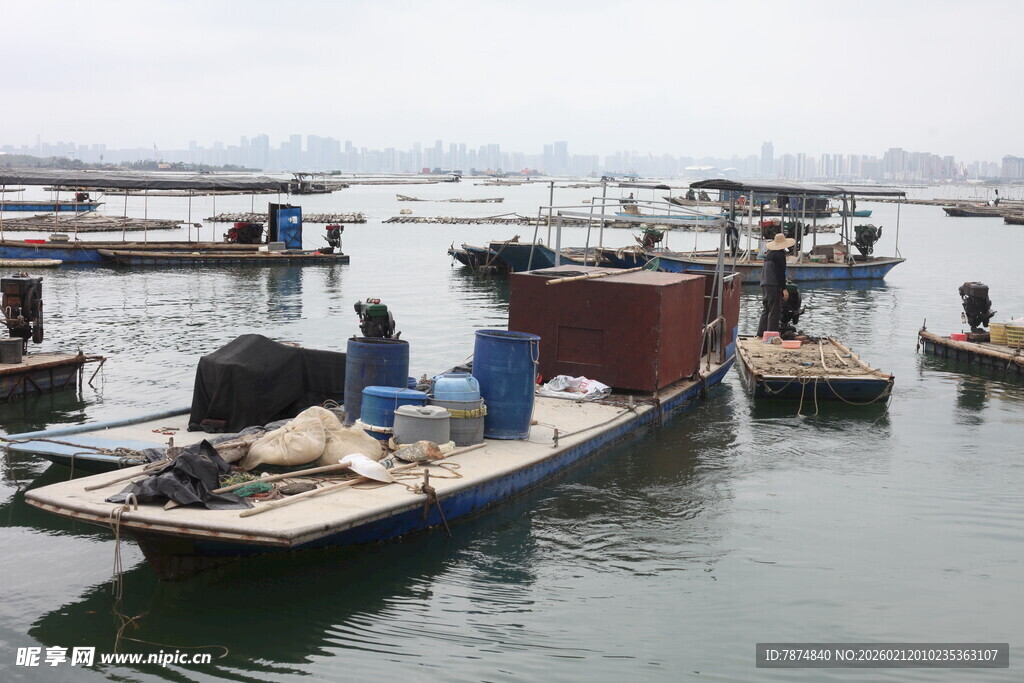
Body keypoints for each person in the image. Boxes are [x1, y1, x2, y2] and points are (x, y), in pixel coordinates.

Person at [756, 232, 796, 337]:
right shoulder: (780, 255)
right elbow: (780, 273)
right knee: (774, 310)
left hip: (765, 283)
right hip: (773, 284)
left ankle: (761, 333)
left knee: (766, 309)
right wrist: (784, 289)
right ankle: (771, 336)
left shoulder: (769, 254)